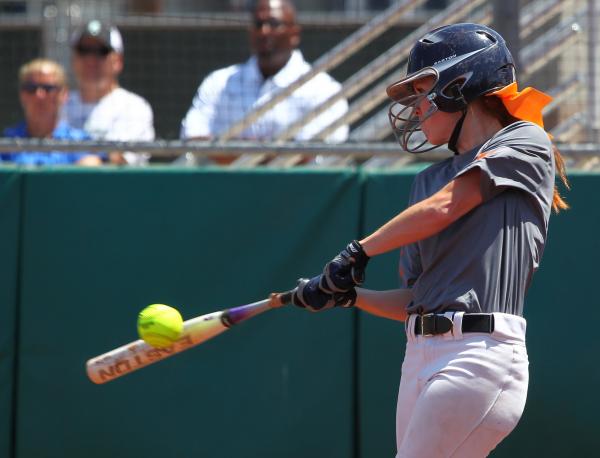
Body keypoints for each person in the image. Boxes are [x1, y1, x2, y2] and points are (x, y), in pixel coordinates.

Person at [276, 23, 570, 457]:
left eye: (424, 88)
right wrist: (349, 295)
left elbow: (450, 205)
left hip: (479, 354)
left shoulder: (524, 140)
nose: (416, 107)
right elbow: (417, 298)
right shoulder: (427, 181)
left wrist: (357, 251)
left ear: (461, 83)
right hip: (420, 357)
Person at [180, 0, 349, 157]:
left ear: (294, 33)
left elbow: (321, 151)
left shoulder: (322, 88)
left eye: (274, 24)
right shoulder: (219, 82)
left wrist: (233, 151)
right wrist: (270, 151)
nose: (264, 31)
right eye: (258, 24)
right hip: (227, 185)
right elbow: (191, 138)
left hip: (297, 188)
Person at [63, 19, 155, 165]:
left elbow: (119, 159)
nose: (90, 59)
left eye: (101, 51)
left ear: (117, 61)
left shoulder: (133, 106)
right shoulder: (58, 104)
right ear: (74, 58)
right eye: (83, 50)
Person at [1, 58, 103, 166]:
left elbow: (90, 167)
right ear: (22, 95)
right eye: (31, 88)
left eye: (48, 88)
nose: (39, 95)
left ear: (64, 94)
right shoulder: (7, 140)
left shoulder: (79, 141)